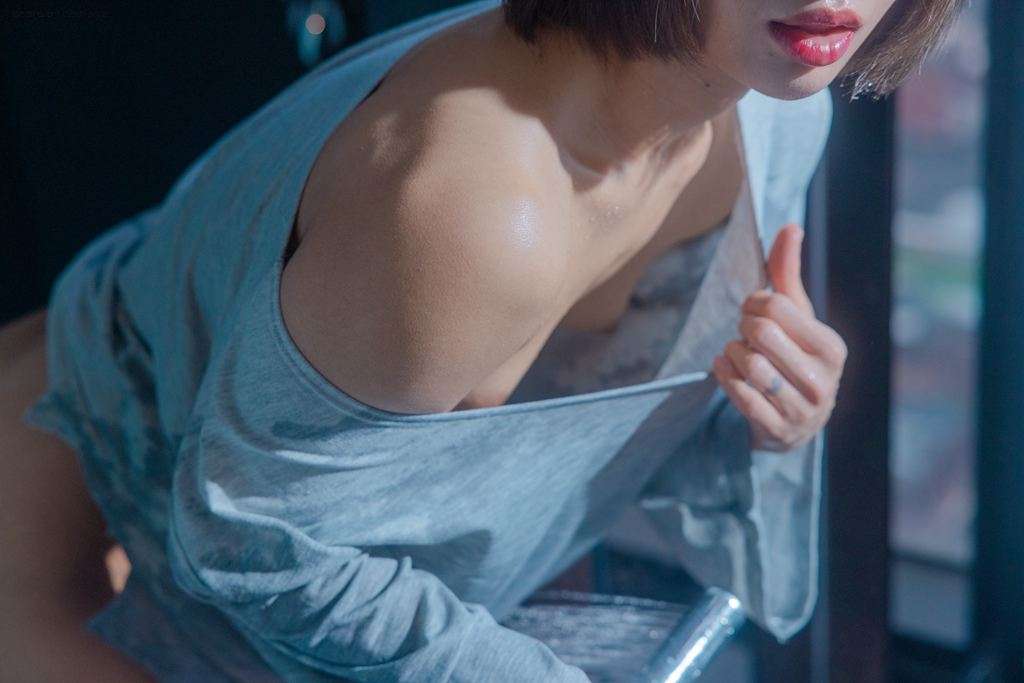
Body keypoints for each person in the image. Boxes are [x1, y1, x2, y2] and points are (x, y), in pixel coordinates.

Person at [1, 0, 964, 680]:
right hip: (70, 541)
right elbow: (246, 536)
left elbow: (565, 446)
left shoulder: (777, 116)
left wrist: (769, 419)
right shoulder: (469, 207)